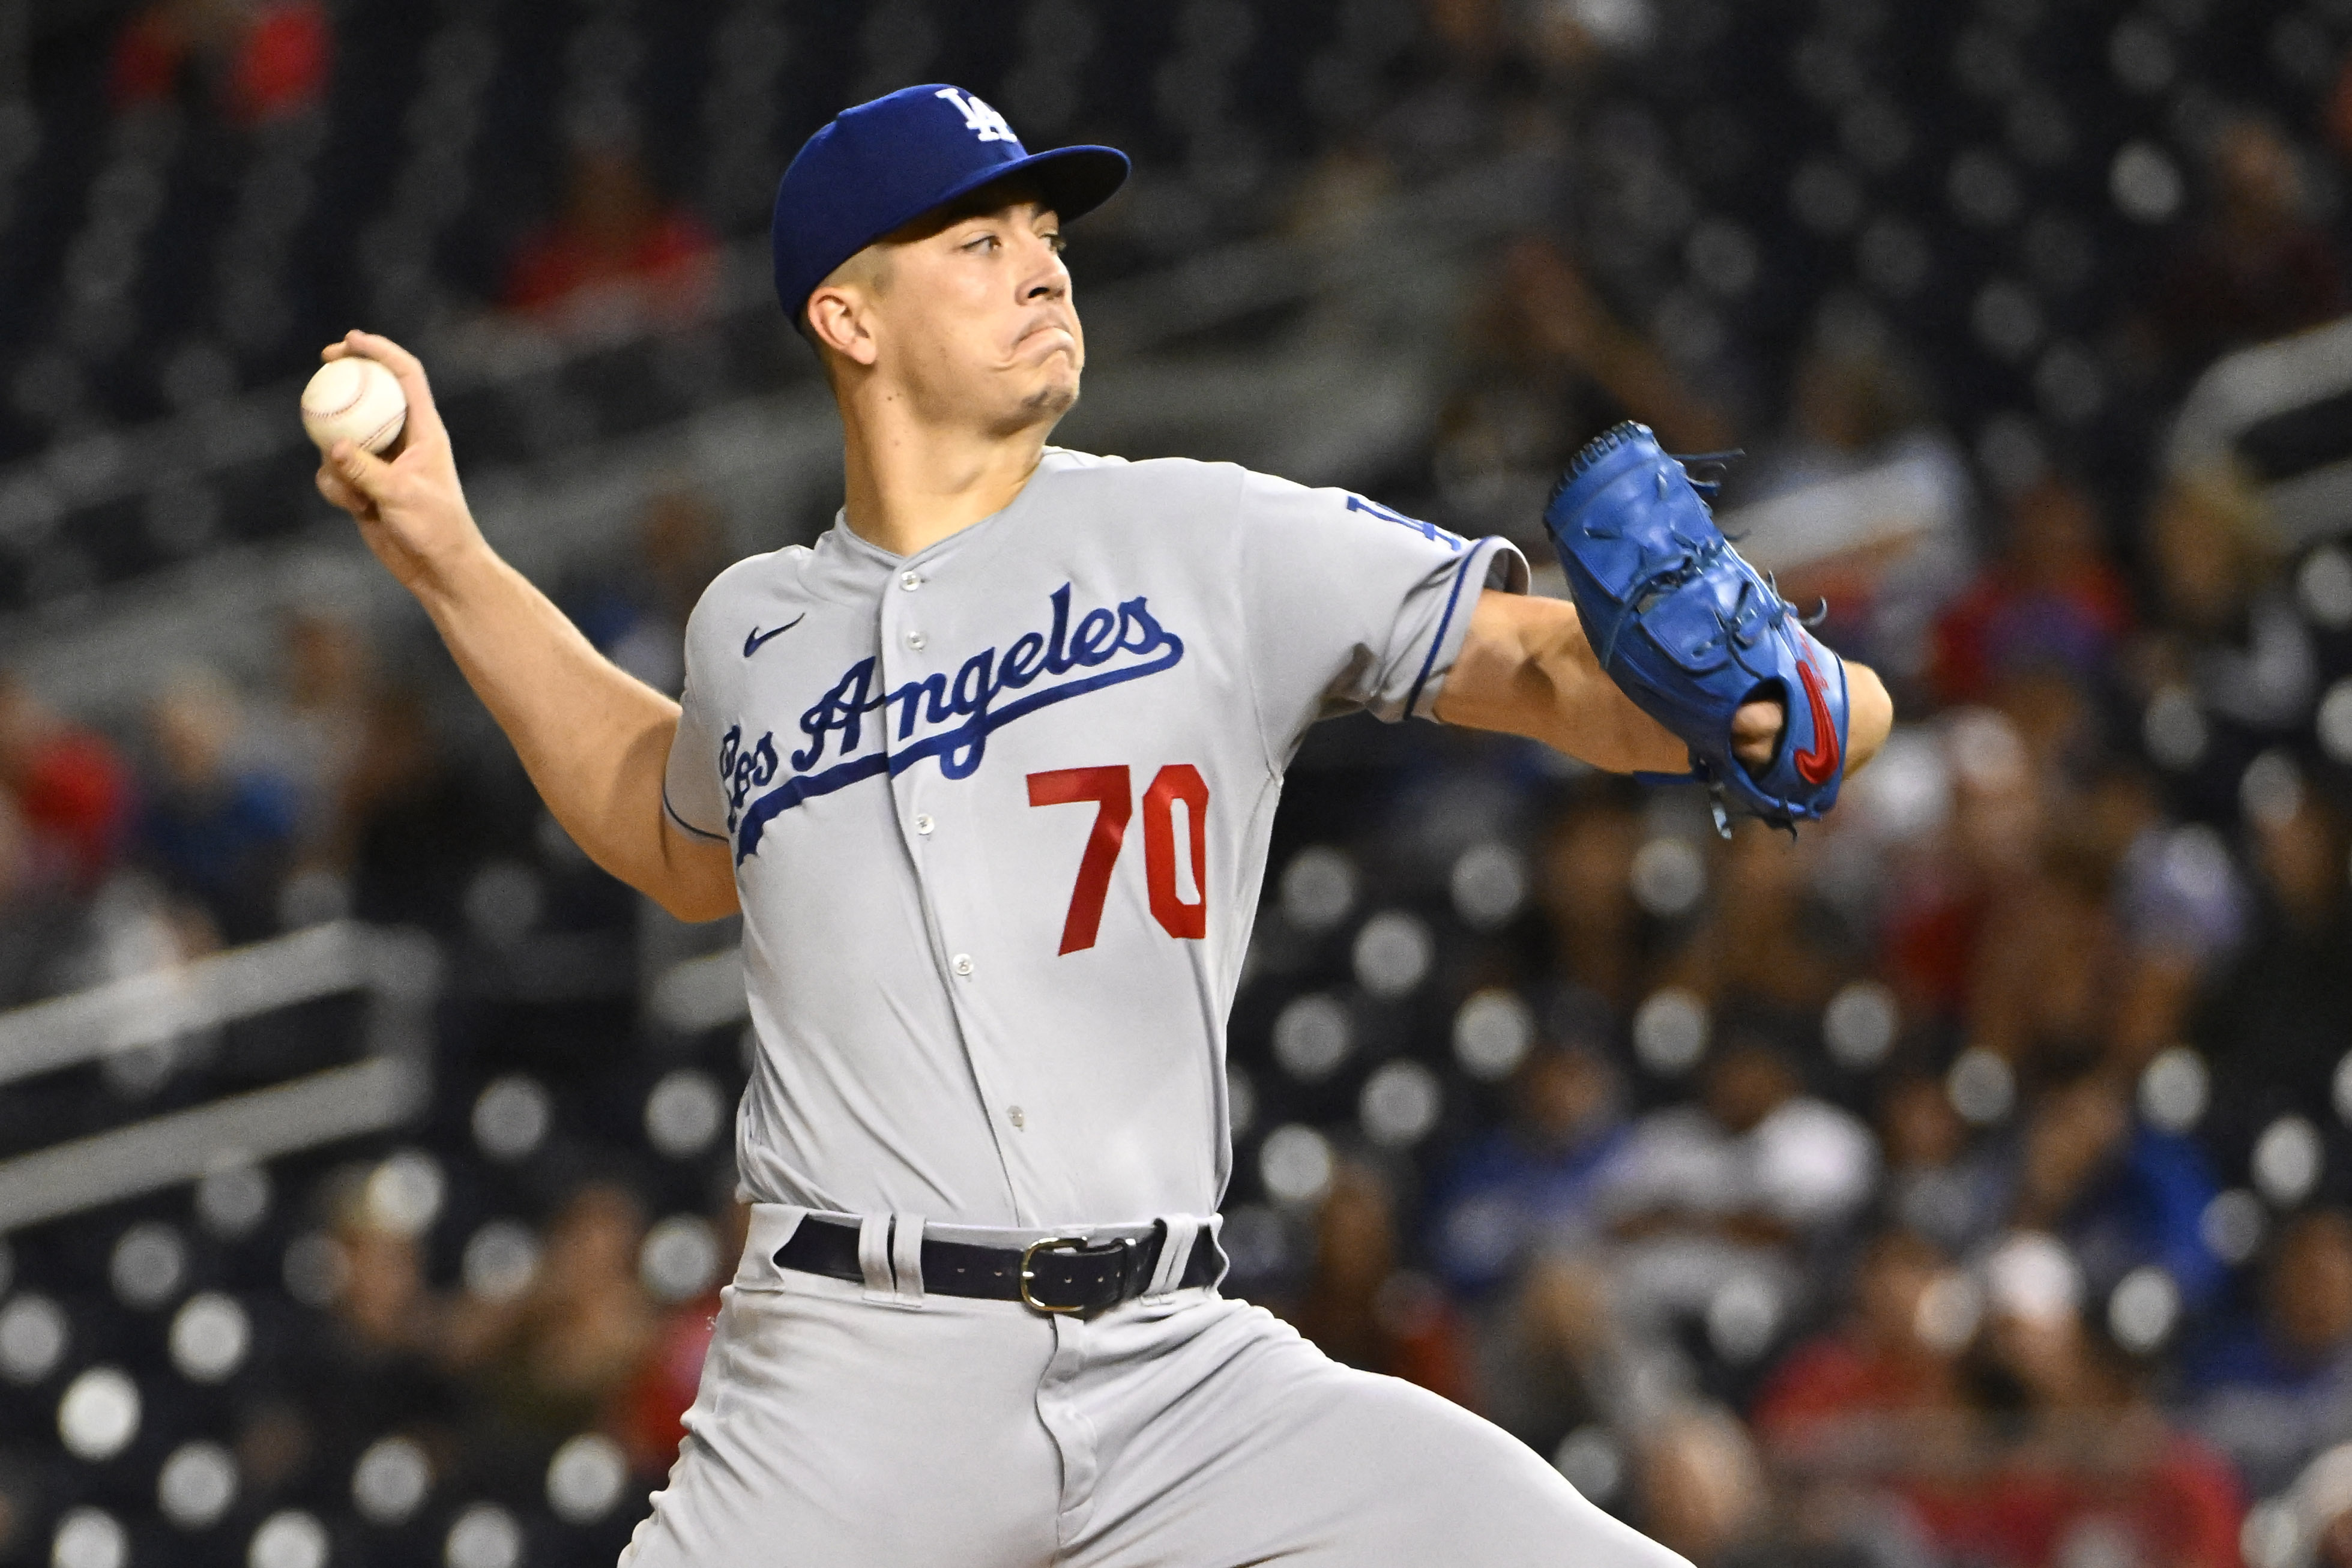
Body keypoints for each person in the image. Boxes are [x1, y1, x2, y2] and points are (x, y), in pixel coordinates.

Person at [312, 83, 1892, 1566]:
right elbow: (667, 829)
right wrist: (447, 546)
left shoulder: (1203, 533)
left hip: (1178, 1366)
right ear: (846, 316)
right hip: (849, 1383)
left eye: (1049, 240)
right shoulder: (753, 629)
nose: (1042, 271)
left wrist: (1772, 698)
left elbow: (1550, 667)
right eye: (979, 241)